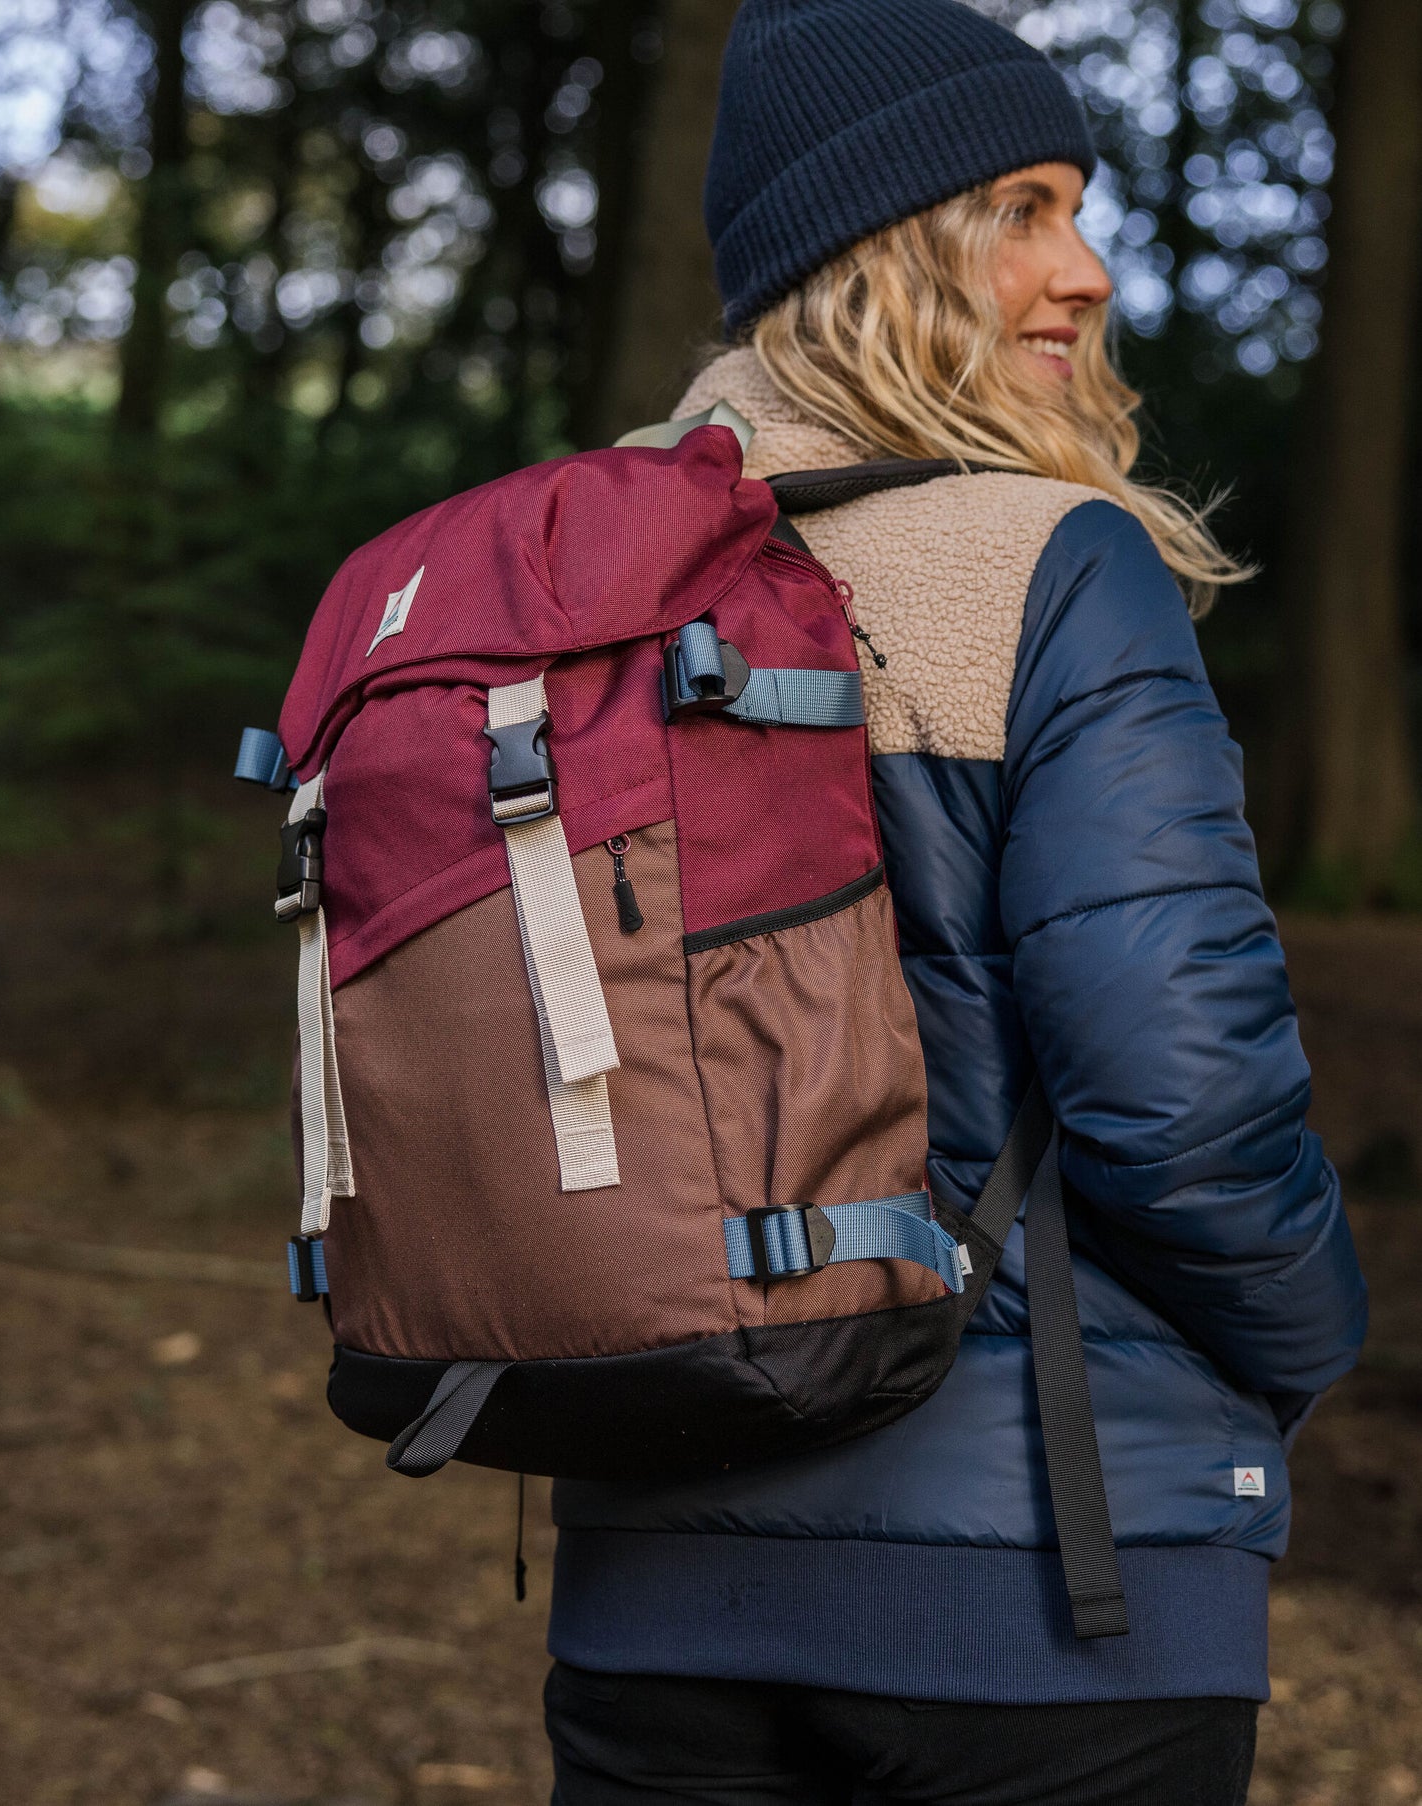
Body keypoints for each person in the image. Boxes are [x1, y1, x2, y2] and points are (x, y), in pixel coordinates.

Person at [542, 3, 1368, 1801]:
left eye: (1077, 205)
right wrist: (1308, 1340)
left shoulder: (569, 574)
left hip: (646, 1577)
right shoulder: (1048, 565)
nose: (1079, 269)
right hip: (1045, 1593)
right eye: (1020, 204)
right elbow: (1182, 1090)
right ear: (876, 246)